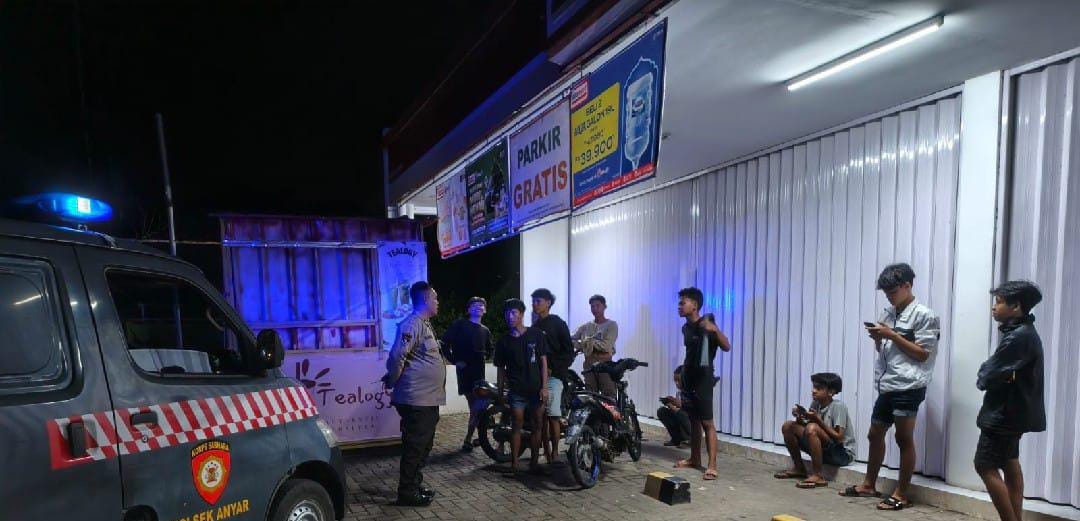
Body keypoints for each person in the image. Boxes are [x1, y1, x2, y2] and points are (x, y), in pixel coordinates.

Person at [840, 263, 940, 511]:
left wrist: (892, 335)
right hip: (887, 384)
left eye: (893, 292)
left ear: (908, 285)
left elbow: (923, 354)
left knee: (903, 438)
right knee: (874, 434)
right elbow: (886, 351)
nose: (889, 296)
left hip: (909, 385)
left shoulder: (924, 315)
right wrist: (879, 339)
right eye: (886, 293)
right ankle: (868, 484)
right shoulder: (888, 313)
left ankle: (901, 494)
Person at [974, 281, 1045, 521]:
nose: (994, 307)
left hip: (1003, 414)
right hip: (1014, 412)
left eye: (999, 302)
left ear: (1016, 307)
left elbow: (988, 374)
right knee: (1009, 461)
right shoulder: (1023, 332)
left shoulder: (1018, 336)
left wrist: (987, 373)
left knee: (984, 465)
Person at [384, 281, 445, 507]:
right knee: (415, 447)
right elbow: (396, 356)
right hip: (416, 399)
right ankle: (406, 492)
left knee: (423, 445)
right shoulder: (411, 324)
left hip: (427, 399)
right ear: (426, 300)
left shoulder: (424, 324)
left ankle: (414, 485)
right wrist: (393, 380)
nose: (438, 302)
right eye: (435, 298)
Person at [673, 287, 731, 481]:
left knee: (707, 422)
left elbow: (727, 346)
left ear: (695, 305)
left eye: (683, 303)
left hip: (703, 379)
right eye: (679, 303)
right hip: (688, 377)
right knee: (694, 420)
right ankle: (694, 458)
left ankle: (712, 465)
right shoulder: (685, 328)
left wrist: (715, 330)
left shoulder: (707, 325)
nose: (679, 306)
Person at [493, 298, 550, 475]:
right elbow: (500, 369)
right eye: (507, 313)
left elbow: (543, 362)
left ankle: (534, 462)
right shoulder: (503, 341)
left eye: (513, 313)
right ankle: (515, 464)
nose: (509, 316)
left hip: (536, 390)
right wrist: (501, 392)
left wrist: (544, 387)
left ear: (521, 314)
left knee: (537, 425)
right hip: (516, 391)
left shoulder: (536, 334)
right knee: (516, 425)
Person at [775, 372, 856, 489]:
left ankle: (818, 475)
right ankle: (799, 468)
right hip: (824, 450)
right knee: (788, 426)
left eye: (819, 388)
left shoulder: (838, 406)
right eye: (813, 387)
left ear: (831, 392)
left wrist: (818, 420)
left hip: (842, 454)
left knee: (812, 428)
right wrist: (800, 416)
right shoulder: (816, 403)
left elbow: (839, 437)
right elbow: (807, 428)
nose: (813, 391)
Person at [441, 296, 494, 452]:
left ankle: (475, 438)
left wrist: (484, 356)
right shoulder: (460, 325)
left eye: (481, 305)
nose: (479, 307)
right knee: (476, 406)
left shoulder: (485, 330)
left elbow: (490, 349)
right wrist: (454, 360)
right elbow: (444, 343)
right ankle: (471, 438)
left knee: (478, 407)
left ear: (485, 310)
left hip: (480, 374)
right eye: (475, 305)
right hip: (465, 373)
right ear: (469, 309)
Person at [530, 288, 574, 464]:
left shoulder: (558, 323)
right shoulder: (534, 327)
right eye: (533, 301)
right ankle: (546, 452)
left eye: (538, 301)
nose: (535, 304)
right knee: (540, 418)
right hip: (537, 378)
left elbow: (569, 352)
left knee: (553, 415)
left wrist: (553, 368)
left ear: (548, 303)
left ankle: (555, 452)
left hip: (555, 377)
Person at [572, 294, 619, 398]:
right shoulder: (586, 326)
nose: (595, 309)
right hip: (589, 363)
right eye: (592, 306)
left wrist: (588, 343)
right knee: (590, 394)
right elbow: (571, 339)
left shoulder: (611, 325)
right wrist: (582, 345)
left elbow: (606, 346)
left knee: (608, 395)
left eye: (598, 306)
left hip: (605, 363)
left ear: (604, 306)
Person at [657, 366, 691, 447]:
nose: (676, 383)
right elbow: (679, 406)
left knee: (681, 414)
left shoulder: (691, 391)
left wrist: (672, 405)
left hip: (691, 422)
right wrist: (671, 401)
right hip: (682, 418)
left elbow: (686, 408)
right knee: (662, 411)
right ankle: (676, 439)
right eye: (675, 380)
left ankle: (689, 439)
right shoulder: (679, 392)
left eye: (678, 380)